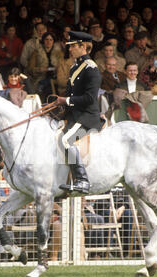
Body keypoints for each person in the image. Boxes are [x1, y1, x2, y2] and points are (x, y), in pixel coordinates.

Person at [56, 31, 102, 194]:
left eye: (73, 46)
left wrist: (66, 101)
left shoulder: (91, 69)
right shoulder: (75, 67)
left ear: (82, 46)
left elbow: (90, 98)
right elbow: (71, 94)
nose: (70, 50)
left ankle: (82, 180)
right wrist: (60, 106)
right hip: (74, 116)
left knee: (66, 141)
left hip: (87, 118)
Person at [27, 31, 63, 101]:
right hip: (40, 78)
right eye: (46, 39)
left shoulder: (59, 53)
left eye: (51, 40)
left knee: (52, 86)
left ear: (53, 41)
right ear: (43, 41)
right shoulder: (36, 52)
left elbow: (63, 68)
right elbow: (30, 69)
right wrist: (39, 69)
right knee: (45, 88)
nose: (48, 42)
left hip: (55, 79)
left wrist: (57, 69)